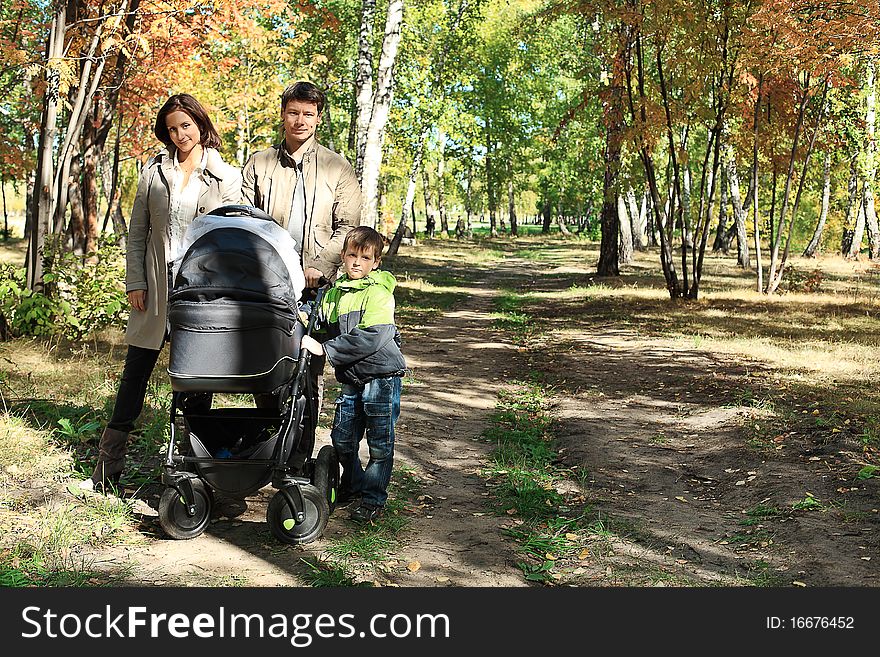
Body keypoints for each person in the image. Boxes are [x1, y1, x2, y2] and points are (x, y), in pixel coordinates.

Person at [78, 94, 242, 492]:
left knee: (198, 377)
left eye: (186, 125)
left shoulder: (226, 175)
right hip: (156, 284)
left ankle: (195, 471)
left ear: (201, 125)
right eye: (171, 127)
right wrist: (136, 280)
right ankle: (107, 468)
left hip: (201, 288)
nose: (179, 134)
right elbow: (138, 232)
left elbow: (236, 233)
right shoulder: (153, 171)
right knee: (135, 371)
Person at [241, 81, 362, 471]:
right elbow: (244, 221)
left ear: (318, 118)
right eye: (293, 112)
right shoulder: (260, 163)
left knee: (306, 373)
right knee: (263, 365)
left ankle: (297, 458)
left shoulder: (336, 167)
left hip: (314, 287)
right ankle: (267, 447)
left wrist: (320, 266)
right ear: (283, 115)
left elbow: (348, 227)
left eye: (308, 114)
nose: (300, 120)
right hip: (266, 284)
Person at [300, 226, 406, 523]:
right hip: (352, 379)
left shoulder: (379, 294)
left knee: (379, 443)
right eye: (351, 255)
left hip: (381, 377)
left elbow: (371, 336)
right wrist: (306, 313)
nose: (357, 262)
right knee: (343, 439)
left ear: (376, 262)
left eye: (365, 257)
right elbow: (321, 324)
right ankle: (356, 482)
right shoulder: (334, 294)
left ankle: (372, 498)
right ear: (343, 257)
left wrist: (325, 350)